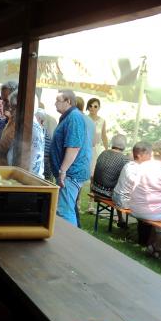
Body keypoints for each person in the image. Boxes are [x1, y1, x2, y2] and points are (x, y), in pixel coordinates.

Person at [51, 89, 92, 226]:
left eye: (58, 100)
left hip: (70, 174)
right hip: (69, 173)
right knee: (65, 209)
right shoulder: (70, 117)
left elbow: (74, 147)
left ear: (68, 101)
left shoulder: (74, 117)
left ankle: (70, 243)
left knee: (65, 211)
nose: (55, 103)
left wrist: (63, 171)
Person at [0, 90, 45, 176]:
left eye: (14, 107)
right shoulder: (22, 125)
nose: (11, 111)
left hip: (27, 182)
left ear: (25, 108)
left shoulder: (32, 128)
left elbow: (32, 164)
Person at [90, 134, 130, 226]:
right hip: (108, 194)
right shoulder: (124, 159)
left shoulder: (103, 153)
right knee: (123, 189)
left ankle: (121, 219)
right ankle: (122, 220)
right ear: (124, 146)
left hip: (95, 189)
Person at [86, 97, 109, 178]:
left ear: (99, 108)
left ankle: (92, 190)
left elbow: (104, 136)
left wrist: (107, 150)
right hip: (85, 149)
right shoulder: (84, 119)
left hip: (96, 150)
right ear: (88, 107)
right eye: (90, 106)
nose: (92, 108)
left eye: (95, 106)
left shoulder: (102, 121)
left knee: (94, 174)